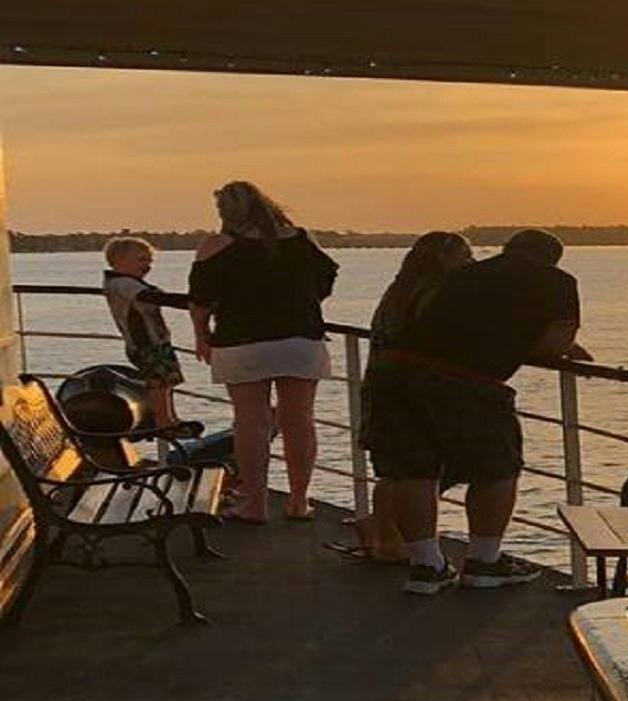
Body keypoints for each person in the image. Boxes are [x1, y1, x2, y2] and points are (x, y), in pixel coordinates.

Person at [363, 228, 586, 594]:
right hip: (469, 381)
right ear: (553, 259)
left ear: (507, 249)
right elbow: (553, 344)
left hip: (397, 375)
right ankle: (484, 561)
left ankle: (426, 566)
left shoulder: (464, 274)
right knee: (496, 469)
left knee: (413, 471)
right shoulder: (558, 282)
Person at [187, 181, 337, 524]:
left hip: (242, 342)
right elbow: (324, 282)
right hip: (300, 340)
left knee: (251, 422)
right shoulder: (302, 239)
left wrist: (202, 336)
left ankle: (255, 503)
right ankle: (298, 501)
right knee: (299, 420)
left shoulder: (217, 246)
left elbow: (200, 301)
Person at [335, 231, 474, 563]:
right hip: (414, 389)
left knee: (395, 469)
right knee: (426, 468)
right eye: (465, 256)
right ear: (445, 259)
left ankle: (385, 534)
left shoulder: (399, 292)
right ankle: (391, 536)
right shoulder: (435, 295)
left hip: (383, 384)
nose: (471, 263)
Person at [100, 236, 185, 430]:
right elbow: (147, 297)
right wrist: (189, 302)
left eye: (149, 261)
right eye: (141, 260)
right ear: (119, 261)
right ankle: (163, 421)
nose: (147, 266)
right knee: (158, 382)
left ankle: (170, 417)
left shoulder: (126, 281)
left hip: (155, 341)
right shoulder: (123, 284)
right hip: (145, 343)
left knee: (166, 381)